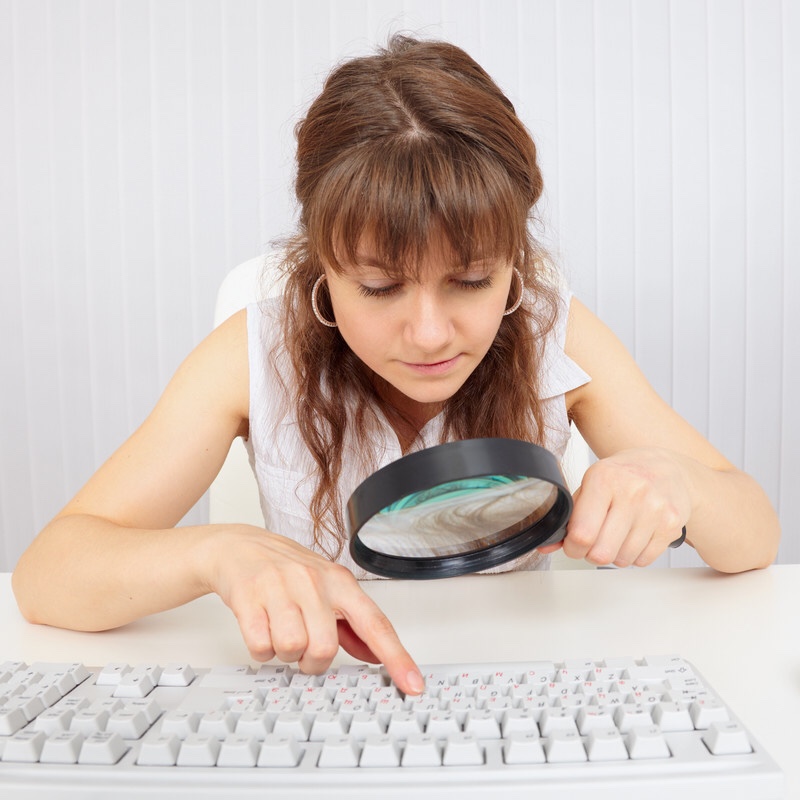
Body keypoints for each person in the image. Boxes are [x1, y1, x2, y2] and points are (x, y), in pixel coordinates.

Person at [12, 36, 780, 696]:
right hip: (324, 691)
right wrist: (212, 552)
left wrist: (679, 490)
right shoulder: (254, 353)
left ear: (515, 264)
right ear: (323, 269)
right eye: (379, 287)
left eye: (473, 280)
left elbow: (755, 539)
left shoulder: (558, 333)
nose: (428, 332)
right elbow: (49, 576)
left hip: (516, 683)